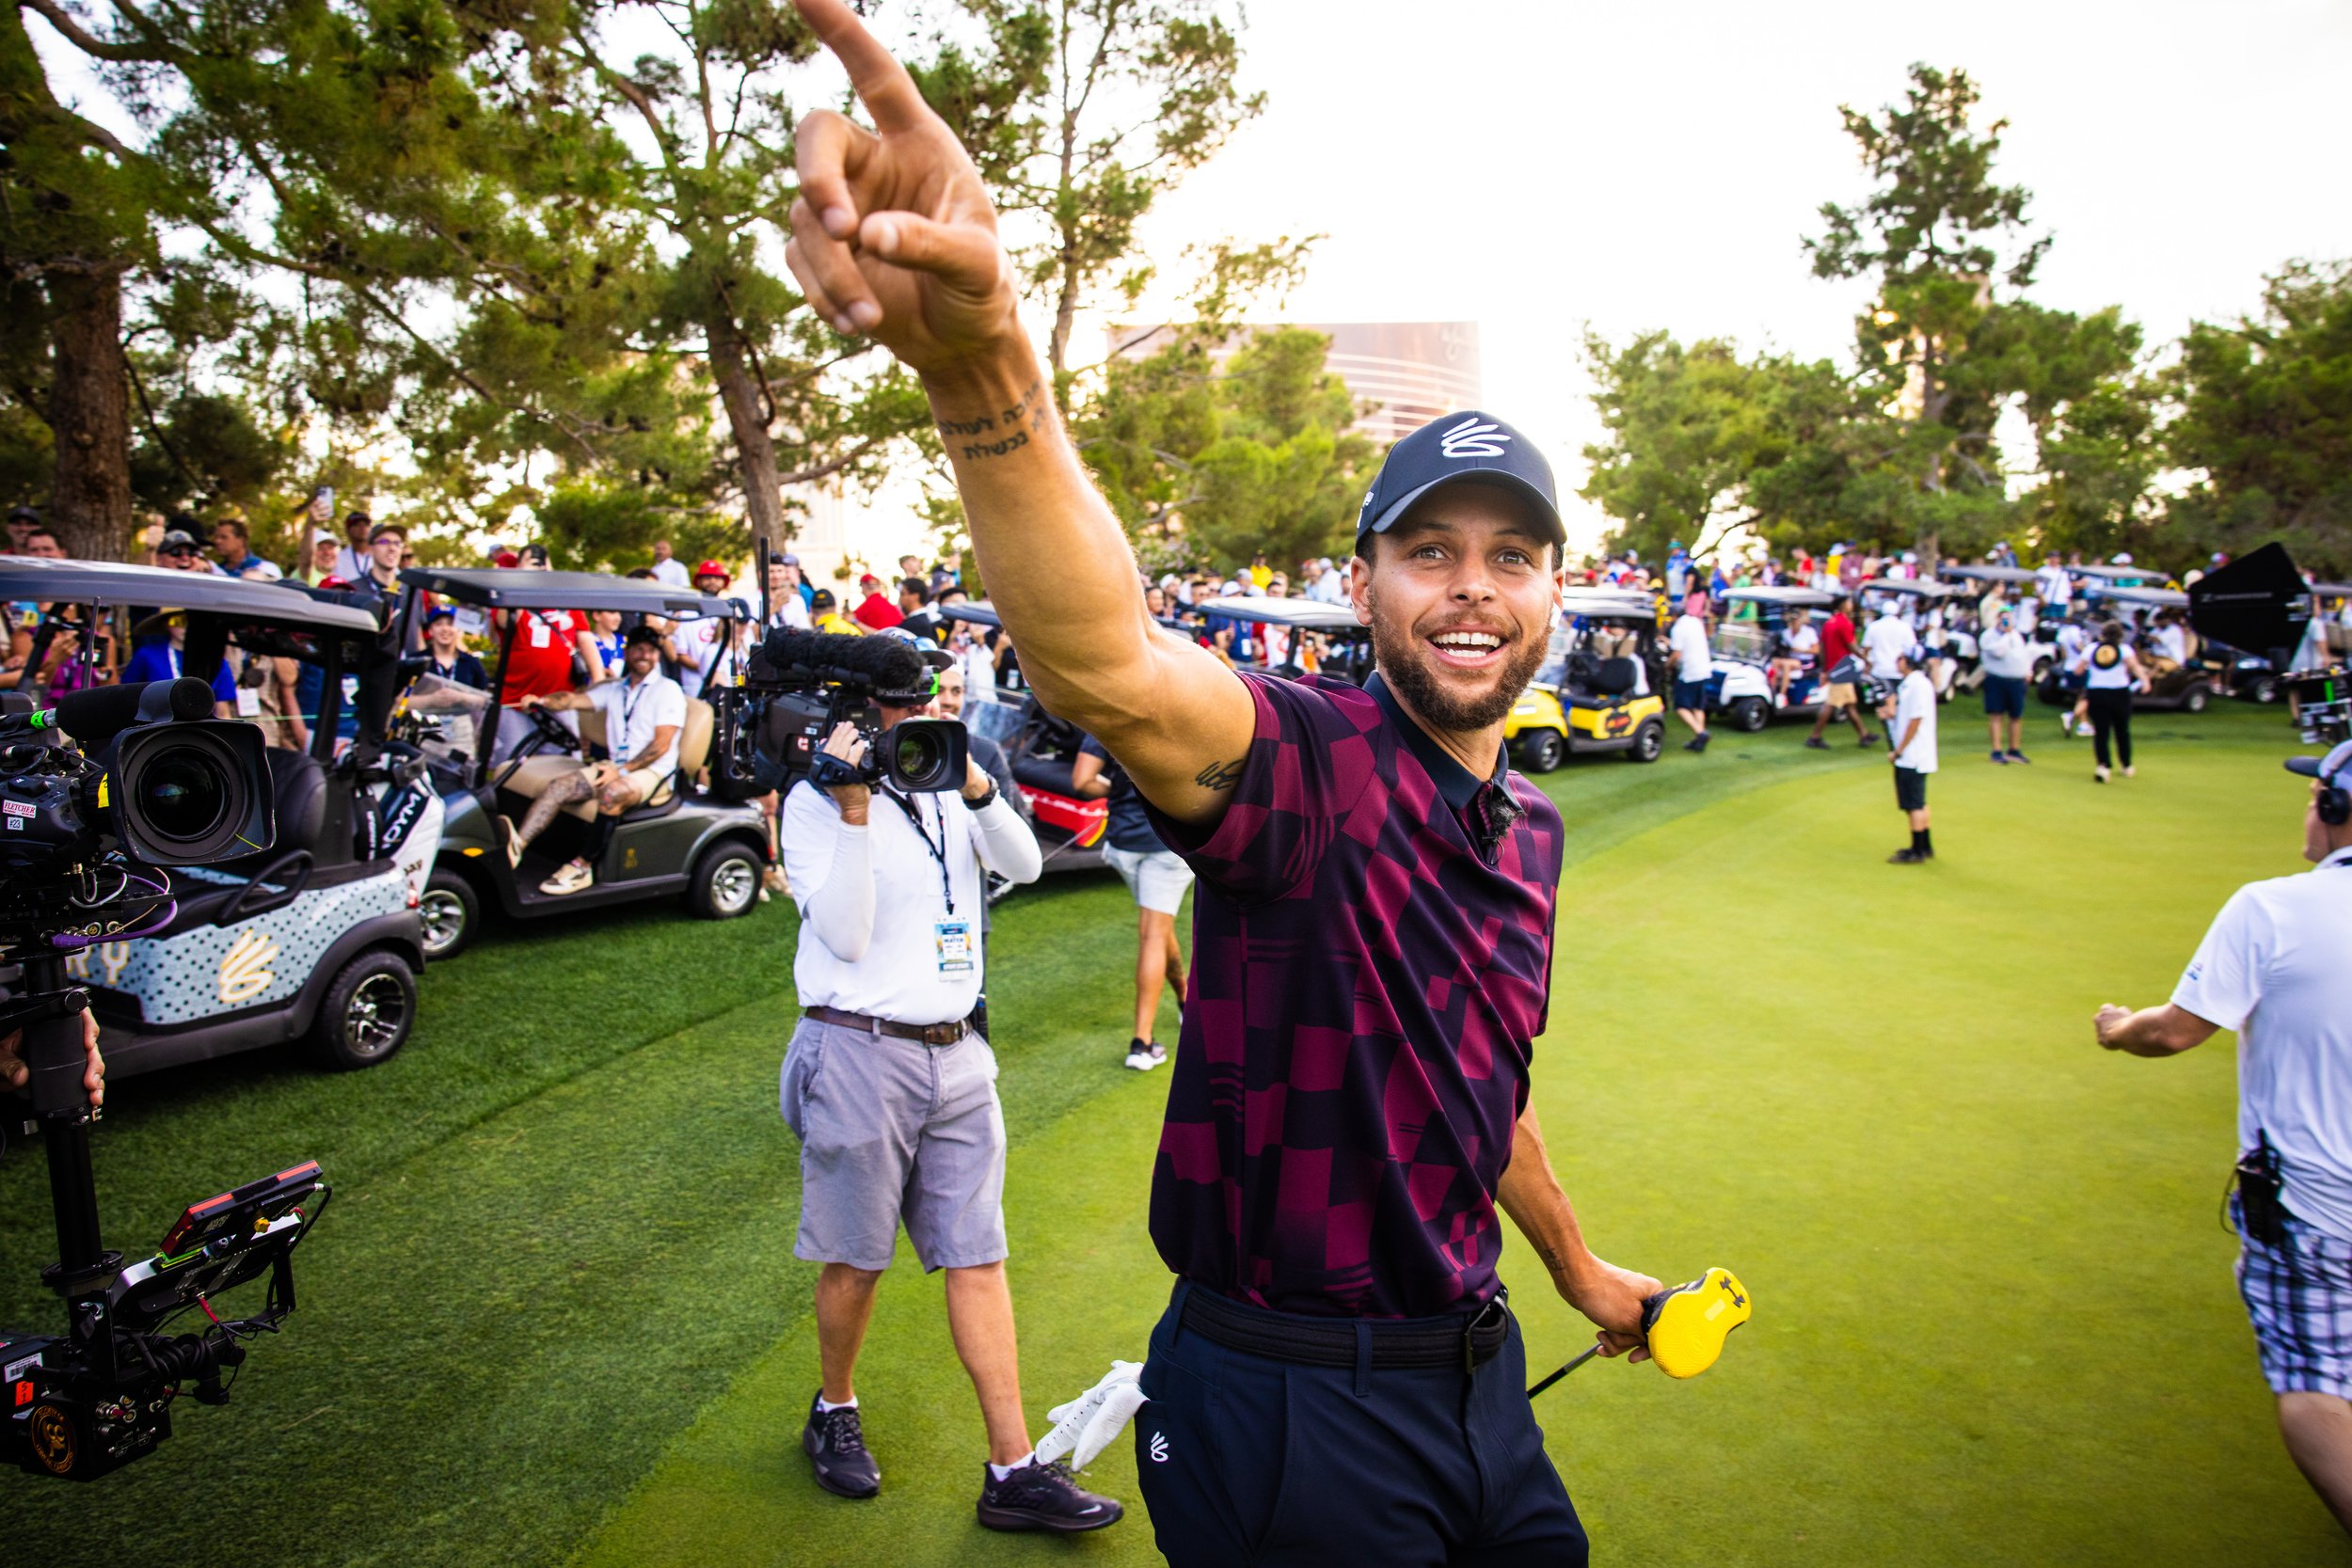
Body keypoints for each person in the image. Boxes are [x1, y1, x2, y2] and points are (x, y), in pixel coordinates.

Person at [778, 16, 1666, 1557]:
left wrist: (1581, 1273)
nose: (1473, 589)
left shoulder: (1528, 827)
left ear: (1552, 592)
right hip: (1283, 1401)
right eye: (1430, 549)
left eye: (1510, 554)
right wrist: (991, 372)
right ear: (1362, 581)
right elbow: (1103, 656)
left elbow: (1477, 1091)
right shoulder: (1310, 760)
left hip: (1480, 1369)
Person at [772, 636, 1086, 1529]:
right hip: (858, 1044)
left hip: (960, 1050)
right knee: (856, 1256)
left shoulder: (954, 779)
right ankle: (834, 1409)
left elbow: (1024, 865)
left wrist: (978, 789)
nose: (926, 719)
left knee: (979, 1254)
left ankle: (1013, 1467)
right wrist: (857, 807)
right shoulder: (813, 803)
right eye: (905, 707)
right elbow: (847, 934)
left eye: (934, 700)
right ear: (858, 714)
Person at [2095, 739, 2352, 1536]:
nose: (2307, 805)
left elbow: (2172, 1033)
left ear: (2339, 810)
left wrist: (2115, 1028)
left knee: (2316, 1390)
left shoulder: (2273, 907)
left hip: (2314, 1211)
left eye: (2318, 793)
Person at [508, 626, 684, 895]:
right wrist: (541, 702)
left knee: (612, 794)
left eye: (650, 650)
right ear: (627, 652)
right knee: (559, 787)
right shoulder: (615, 689)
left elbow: (661, 746)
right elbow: (571, 700)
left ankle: (582, 866)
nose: (644, 655)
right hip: (616, 765)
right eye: (638, 649)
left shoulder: (667, 690)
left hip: (653, 771)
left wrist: (622, 770)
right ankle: (517, 847)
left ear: (657, 655)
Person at [1072, 728, 1190, 1072]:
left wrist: (1119, 792)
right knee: (1154, 932)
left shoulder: (1102, 718)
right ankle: (1143, 1043)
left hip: (1122, 844)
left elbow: (1082, 781)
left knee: (1159, 926)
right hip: (1164, 844)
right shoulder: (1176, 713)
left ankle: (1185, 997)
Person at [1883, 642, 1939, 863]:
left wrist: (1898, 750)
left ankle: (1917, 850)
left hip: (1912, 756)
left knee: (1913, 804)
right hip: (1914, 754)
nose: (1897, 661)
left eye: (1900, 658)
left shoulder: (1917, 686)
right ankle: (1924, 845)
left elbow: (1915, 721)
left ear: (1907, 661)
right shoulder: (1912, 684)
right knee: (1919, 801)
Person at [2080, 621, 2150, 784]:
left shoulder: (2091, 649)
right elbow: (2134, 666)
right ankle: (2126, 764)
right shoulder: (2124, 650)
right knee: (2122, 730)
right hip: (2119, 692)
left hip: (2097, 691)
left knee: (2101, 731)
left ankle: (2103, 766)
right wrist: (2145, 681)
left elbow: (2079, 669)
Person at [1804, 594, 1878, 749]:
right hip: (1842, 667)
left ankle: (1863, 735)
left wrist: (1825, 668)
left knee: (1849, 704)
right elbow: (1851, 645)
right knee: (1831, 704)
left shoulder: (1829, 623)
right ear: (1842, 605)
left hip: (1833, 667)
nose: (1851, 605)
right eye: (1848, 602)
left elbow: (1823, 647)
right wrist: (1865, 659)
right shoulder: (1844, 623)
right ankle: (1815, 736)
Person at [1978, 605, 2033, 765]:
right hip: (1997, 679)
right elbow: (1998, 652)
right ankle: (1996, 750)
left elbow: (2024, 654)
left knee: (2016, 715)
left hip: (2016, 680)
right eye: (2003, 617)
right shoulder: (1989, 636)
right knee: (1996, 714)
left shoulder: (2016, 635)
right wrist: (2006, 635)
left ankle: (2014, 749)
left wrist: (2027, 671)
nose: (2006, 621)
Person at [1669, 589, 1712, 752]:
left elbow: (1676, 654)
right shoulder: (1695, 622)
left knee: (1680, 706)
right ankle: (1699, 739)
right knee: (1697, 706)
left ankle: (1700, 732)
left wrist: (1668, 666)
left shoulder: (1678, 629)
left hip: (1690, 671)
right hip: (1704, 668)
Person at [211, 517, 282, 581]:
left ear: (241, 540)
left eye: (224, 537)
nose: (217, 541)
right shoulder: (216, 570)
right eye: (216, 537)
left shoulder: (264, 568)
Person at [767, 552, 813, 630]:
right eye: (771, 571)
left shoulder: (796, 600)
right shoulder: (752, 600)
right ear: (760, 574)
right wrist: (775, 608)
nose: (776, 576)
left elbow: (804, 630)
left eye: (780, 571)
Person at [334, 513, 373, 582]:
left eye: (366, 525)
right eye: (357, 525)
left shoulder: (379, 555)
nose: (362, 528)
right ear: (348, 530)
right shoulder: (339, 558)